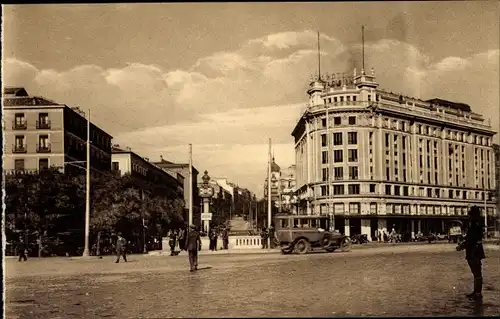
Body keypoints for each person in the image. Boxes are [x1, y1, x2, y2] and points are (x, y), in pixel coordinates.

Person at [456, 205, 486, 300]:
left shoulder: (474, 225)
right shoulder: (476, 224)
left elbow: (472, 239)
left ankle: (477, 293)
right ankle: (476, 292)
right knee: (476, 272)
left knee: (477, 272)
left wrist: (461, 245)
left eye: (470, 214)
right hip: (474, 250)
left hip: (474, 251)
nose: (468, 216)